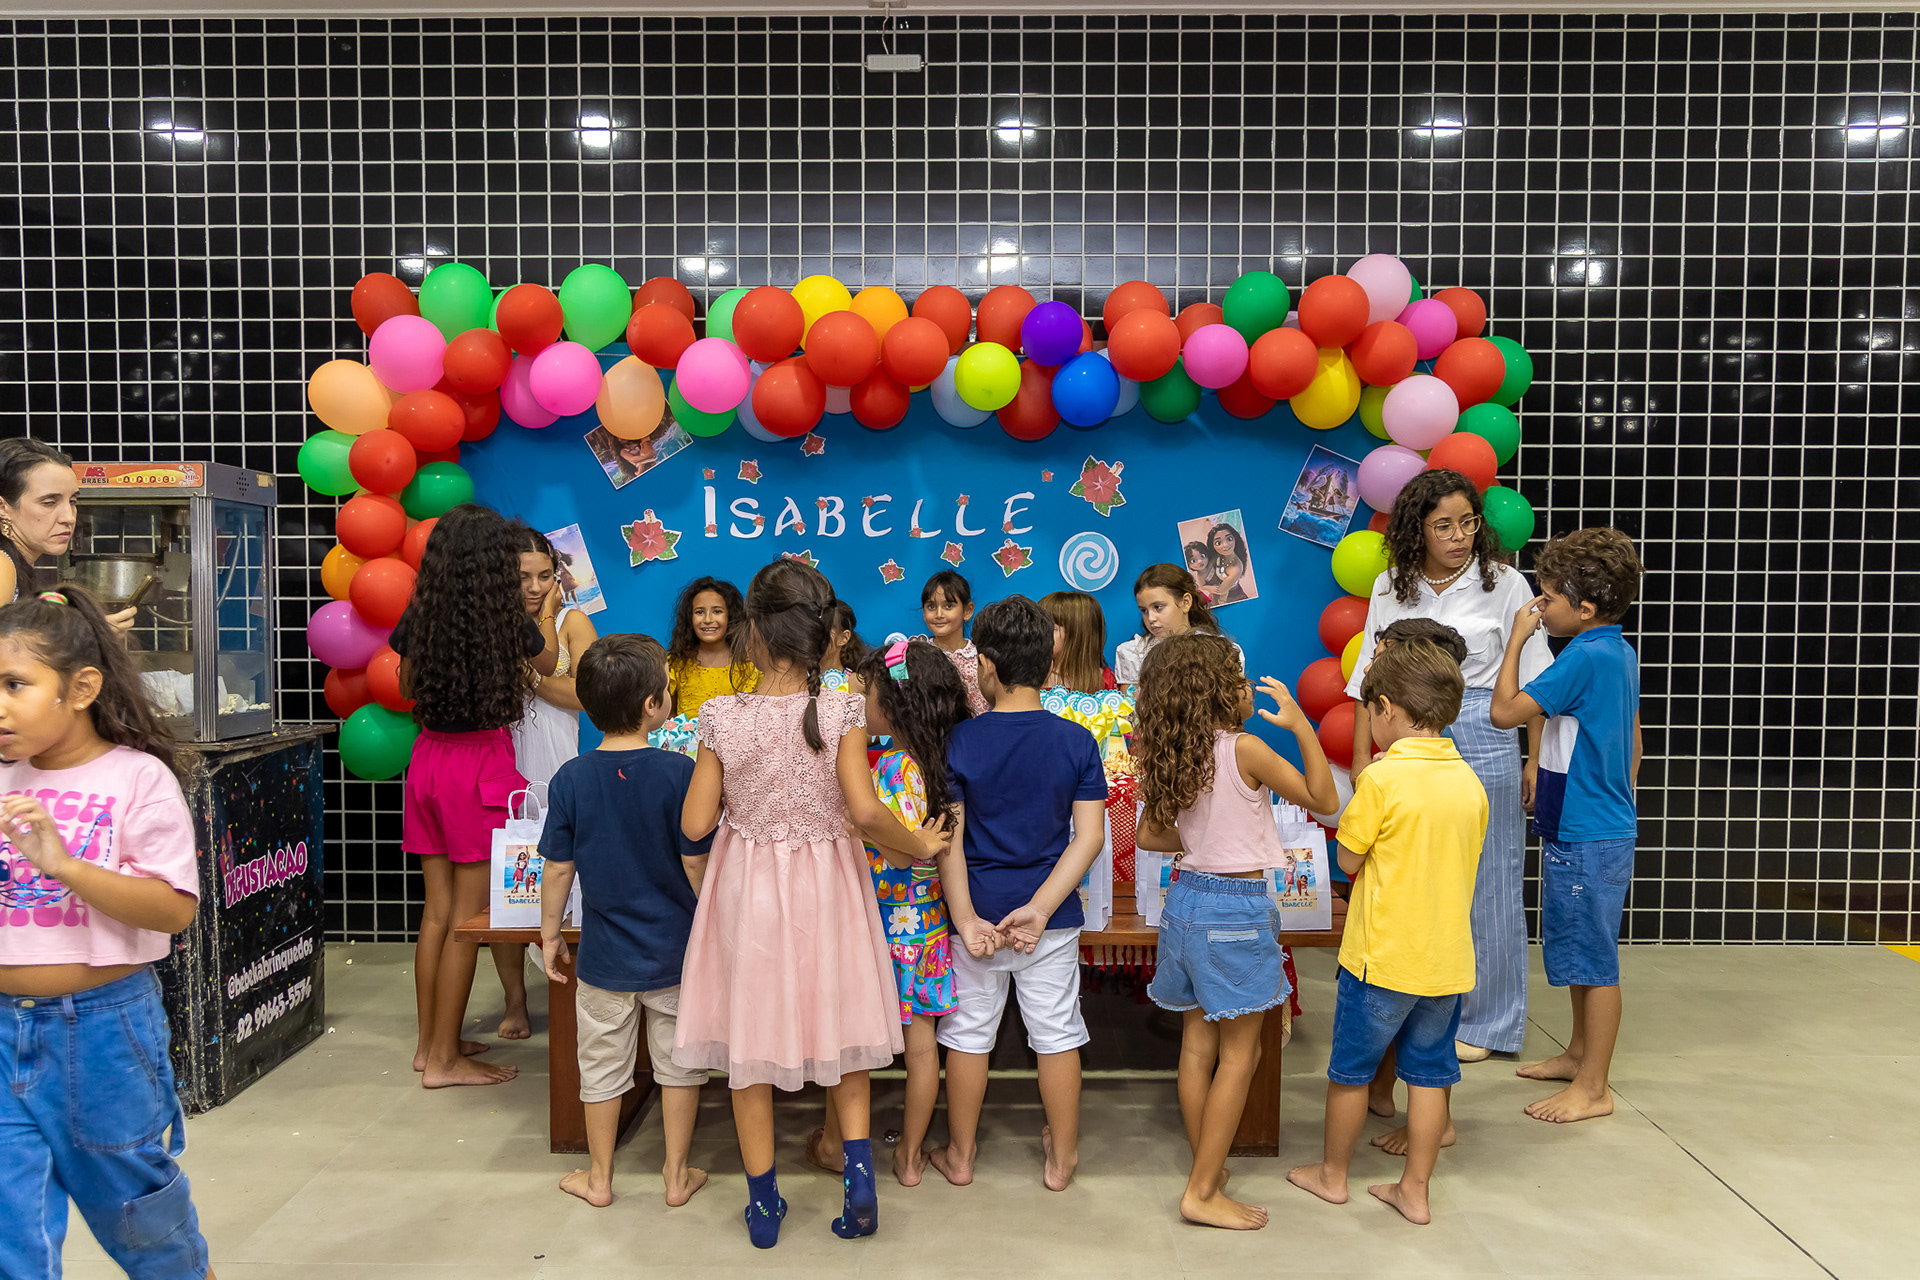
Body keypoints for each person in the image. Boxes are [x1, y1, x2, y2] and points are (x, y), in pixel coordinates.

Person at [674, 559, 949, 1248]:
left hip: (749, 890)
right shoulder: (843, 708)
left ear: (753, 630)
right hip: (830, 885)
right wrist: (917, 843)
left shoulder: (721, 716)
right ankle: (859, 1180)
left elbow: (695, 823)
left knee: (749, 1046)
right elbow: (866, 811)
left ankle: (764, 1206)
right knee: (843, 1028)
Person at [0, 587, 216, 1278]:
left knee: (139, 1215)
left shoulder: (136, 779)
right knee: (9, 1226)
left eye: (14, 684)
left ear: (82, 688)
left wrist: (65, 865)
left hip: (99, 1031)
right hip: (2, 1029)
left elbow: (173, 909)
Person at [1347, 470, 1552, 1079]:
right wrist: (1360, 756)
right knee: (1407, 876)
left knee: (1490, 881)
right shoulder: (1390, 585)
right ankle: (1411, 1010)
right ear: (1417, 530)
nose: (1459, 536)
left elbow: (1535, 678)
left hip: (1486, 731)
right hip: (1405, 735)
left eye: (1467, 523)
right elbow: (1367, 680)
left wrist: (1534, 757)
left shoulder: (1506, 582)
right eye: (1443, 526)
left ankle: (1488, 1022)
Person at [1131, 632, 1337, 1231]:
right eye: (1239, 678)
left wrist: (1207, 838)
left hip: (1185, 903)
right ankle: (1201, 1191)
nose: (1249, 688)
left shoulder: (1174, 751)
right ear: (1217, 689)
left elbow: (1149, 835)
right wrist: (1301, 727)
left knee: (1197, 1048)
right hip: (1235, 913)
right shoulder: (1246, 748)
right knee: (1241, 1056)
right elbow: (1324, 798)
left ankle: (1208, 1168)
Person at [1288, 638, 1488, 1227]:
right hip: (1446, 961)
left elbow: (1348, 859)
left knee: (1351, 1072)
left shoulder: (1381, 779)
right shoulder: (1470, 782)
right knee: (1429, 1076)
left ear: (1386, 708)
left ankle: (1332, 1175)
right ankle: (1415, 1190)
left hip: (1381, 959)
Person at [928, 595, 1107, 1193]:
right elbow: (1089, 838)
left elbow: (948, 843)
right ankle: (1063, 1160)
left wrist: (964, 917)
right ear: (1049, 659)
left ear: (985, 663)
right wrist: (1041, 908)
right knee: (1057, 1035)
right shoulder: (1077, 740)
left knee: (968, 1036)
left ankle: (960, 1156)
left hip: (976, 914)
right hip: (1049, 920)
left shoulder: (958, 741)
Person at [537, 633, 714, 1209]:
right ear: (653, 705)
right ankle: (676, 1175)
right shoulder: (681, 772)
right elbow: (696, 862)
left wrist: (549, 934)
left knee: (601, 1066)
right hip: (676, 953)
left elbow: (558, 869)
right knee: (679, 1066)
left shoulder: (570, 778)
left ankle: (599, 1178)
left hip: (604, 958)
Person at [1491, 528, 1644, 1125]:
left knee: (1594, 960)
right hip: (1596, 822)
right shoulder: (1617, 651)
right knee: (1582, 950)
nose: (1540, 606)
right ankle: (1580, 1055)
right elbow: (1633, 740)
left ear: (1584, 607)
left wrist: (1516, 640)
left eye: (1548, 597)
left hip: (1586, 831)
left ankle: (1594, 1086)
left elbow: (1504, 712)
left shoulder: (1581, 657)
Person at [808, 638, 972, 1187]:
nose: (859, 700)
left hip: (876, 923)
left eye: (867, 691)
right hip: (925, 927)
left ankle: (836, 1144)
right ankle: (909, 1157)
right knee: (922, 1050)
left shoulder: (892, 769)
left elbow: (900, 850)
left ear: (895, 703)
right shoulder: (932, 764)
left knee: (853, 1044)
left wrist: (860, 830)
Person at [392, 504, 544, 1088]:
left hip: (428, 760)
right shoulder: (508, 620)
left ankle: (430, 1046)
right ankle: (445, 1063)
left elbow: (406, 685)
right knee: (466, 920)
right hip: (479, 767)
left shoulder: (421, 613)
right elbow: (547, 660)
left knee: (435, 914)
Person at [498, 523, 599, 1042]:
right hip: (503, 761)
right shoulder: (492, 621)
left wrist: (534, 677)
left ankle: (566, 989)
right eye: (523, 577)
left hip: (559, 760)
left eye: (544, 575)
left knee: (563, 873)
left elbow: (587, 695)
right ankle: (515, 1000)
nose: (535, 587)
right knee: (505, 881)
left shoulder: (573, 620)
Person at [0, 437, 135, 629]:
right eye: (49, 503)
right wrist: (90, 637)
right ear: (2, 508)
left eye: (72, 502)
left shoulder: (17, 563)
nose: (69, 517)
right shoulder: (2, 564)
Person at [1113, 563, 1243, 687]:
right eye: (1144, 610)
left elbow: (1234, 700)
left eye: (1158, 607)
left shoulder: (1223, 652)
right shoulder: (1133, 653)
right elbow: (1130, 702)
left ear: (1186, 602)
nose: (1151, 618)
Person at [665, 576, 758, 718]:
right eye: (699, 612)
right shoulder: (677, 663)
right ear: (689, 617)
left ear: (730, 616)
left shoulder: (748, 663)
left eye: (717, 611)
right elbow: (668, 715)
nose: (708, 619)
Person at [915, 569, 990, 715]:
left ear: (967, 610)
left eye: (948, 606)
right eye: (931, 607)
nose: (939, 614)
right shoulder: (916, 657)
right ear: (923, 612)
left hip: (977, 728)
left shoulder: (981, 657)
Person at [1040, 589, 1116, 692]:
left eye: (1052, 628)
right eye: (1039, 626)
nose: (1040, 633)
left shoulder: (1103, 680)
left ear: (1077, 634)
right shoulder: (1030, 677)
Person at [820, 598, 867, 693]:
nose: (814, 637)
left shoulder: (858, 684)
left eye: (823, 631)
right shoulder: (797, 679)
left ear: (843, 638)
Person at [1207, 522, 1252, 604]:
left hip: (1233, 597)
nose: (1225, 545)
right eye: (1218, 543)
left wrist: (1205, 587)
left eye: (1229, 539)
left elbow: (1221, 590)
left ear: (1235, 539)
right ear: (1213, 546)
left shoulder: (1236, 568)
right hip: (1216, 592)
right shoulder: (1218, 557)